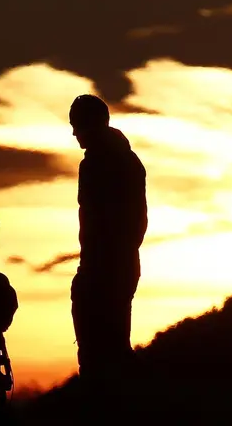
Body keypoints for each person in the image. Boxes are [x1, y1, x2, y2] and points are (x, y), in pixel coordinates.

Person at [68, 95, 148, 411]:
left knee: (101, 349)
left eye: (78, 125)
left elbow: (112, 220)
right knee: (110, 344)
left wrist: (100, 261)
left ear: (95, 123)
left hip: (106, 265)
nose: (75, 134)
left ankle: (108, 409)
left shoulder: (102, 162)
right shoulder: (125, 159)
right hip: (118, 262)